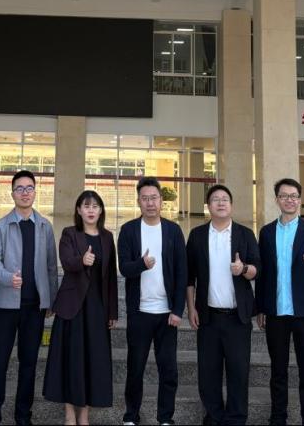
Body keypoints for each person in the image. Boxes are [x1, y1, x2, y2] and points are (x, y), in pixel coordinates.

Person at [0, 169, 59, 426]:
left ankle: (23, 416)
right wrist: (7, 277)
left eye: (29, 188)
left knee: (29, 364)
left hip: (34, 307)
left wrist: (51, 300)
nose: (25, 193)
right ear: (12, 193)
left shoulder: (44, 226)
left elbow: (51, 266)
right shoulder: (1, 226)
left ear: (35, 192)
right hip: (6, 306)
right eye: (20, 188)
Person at [255, 178, 304, 426]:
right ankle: (278, 418)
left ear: (300, 200)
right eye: (284, 196)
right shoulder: (266, 232)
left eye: (294, 196)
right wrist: (260, 307)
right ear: (276, 200)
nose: (289, 200)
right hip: (276, 311)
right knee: (278, 370)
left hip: (303, 311)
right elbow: (262, 272)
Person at [185, 183, 260, 426]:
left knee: (239, 372)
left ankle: (236, 419)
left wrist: (243, 269)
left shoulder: (245, 234)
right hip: (208, 317)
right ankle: (214, 417)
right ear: (208, 206)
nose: (220, 202)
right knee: (208, 373)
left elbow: (257, 270)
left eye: (225, 199)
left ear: (231, 205)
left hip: (237, 317)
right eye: (215, 199)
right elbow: (189, 276)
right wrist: (191, 307)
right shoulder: (197, 235)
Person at [43, 190, 119, 426]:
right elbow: (66, 262)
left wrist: (112, 311)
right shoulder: (69, 233)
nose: (91, 210)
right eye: (86, 206)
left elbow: (111, 277)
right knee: (70, 360)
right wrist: (81, 261)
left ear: (101, 210)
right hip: (72, 308)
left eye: (95, 206)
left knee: (91, 362)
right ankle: (69, 415)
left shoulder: (107, 237)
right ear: (78, 210)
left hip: (97, 308)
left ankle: (84, 416)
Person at [118, 176, 187, 426]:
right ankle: (131, 416)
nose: (150, 203)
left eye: (154, 198)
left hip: (167, 313)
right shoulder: (128, 230)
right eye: (145, 198)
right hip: (140, 313)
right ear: (138, 201)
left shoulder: (173, 230)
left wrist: (178, 309)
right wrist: (142, 264)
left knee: (168, 369)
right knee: (135, 368)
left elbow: (182, 272)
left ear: (161, 201)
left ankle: (165, 418)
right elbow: (124, 268)